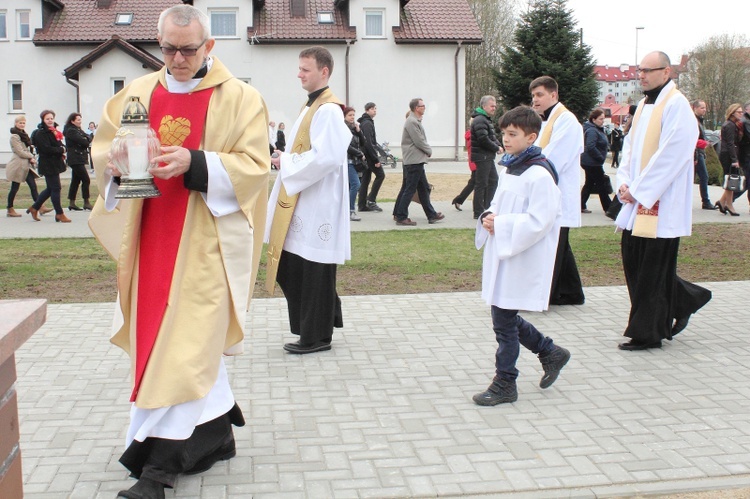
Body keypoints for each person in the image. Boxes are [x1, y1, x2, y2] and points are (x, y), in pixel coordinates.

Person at [88, 5, 270, 497]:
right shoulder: (139, 93)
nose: (178, 58)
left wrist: (196, 162)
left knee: (184, 349)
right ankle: (215, 435)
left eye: (188, 49)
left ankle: (159, 469)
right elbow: (103, 150)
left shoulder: (240, 99)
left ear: (209, 46)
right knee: (171, 346)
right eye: (168, 48)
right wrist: (117, 164)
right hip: (150, 240)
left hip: (205, 244)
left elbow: (255, 168)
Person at [472, 105, 570, 406]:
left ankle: (506, 382)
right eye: (503, 133)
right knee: (505, 315)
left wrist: (500, 224)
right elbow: (500, 203)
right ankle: (549, 351)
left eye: (512, 134)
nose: (506, 139)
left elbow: (541, 221)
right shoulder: (511, 165)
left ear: (531, 137)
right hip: (504, 252)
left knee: (503, 319)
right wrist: (490, 216)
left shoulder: (539, 174)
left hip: (521, 254)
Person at [614, 51, 711, 351]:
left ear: (666, 71)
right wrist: (625, 182)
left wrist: (640, 190)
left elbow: (672, 155)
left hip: (661, 203)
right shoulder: (644, 105)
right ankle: (686, 299)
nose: (641, 75)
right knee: (635, 261)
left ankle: (648, 333)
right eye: (639, 70)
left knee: (652, 270)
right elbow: (629, 148)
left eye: (647, 70)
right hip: (637, 199)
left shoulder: (677, 106)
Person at [265, 46, 351, 355]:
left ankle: (316, 336)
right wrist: (285, 158)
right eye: (299, 68)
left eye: (305, 69)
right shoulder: (312, 105)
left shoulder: (327, 109)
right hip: (307, 197)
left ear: (324, 72)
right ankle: (324, 320)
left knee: (313, 268)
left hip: (319, 202)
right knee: (300, 266)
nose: (299, 74)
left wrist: (286, 164)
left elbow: (326, 157)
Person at [530, 76, 584, 306]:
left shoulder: (567, 121)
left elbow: (553, 157)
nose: (535, 100)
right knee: (560, 244)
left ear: (554, 95)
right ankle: (572, 292)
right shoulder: (545, 121)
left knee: (555, 245)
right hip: (549, 192)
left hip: (559, 193)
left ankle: (548, 293)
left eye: (540, 95)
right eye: (533, 96)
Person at [393, 98, 444, 226]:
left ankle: (431, 215)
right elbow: (418, 140)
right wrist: (428, 150)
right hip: (414, 160)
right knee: (410, 189)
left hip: (416, 160)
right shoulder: (411, 122)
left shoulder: (414, 121)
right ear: (416, 108)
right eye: (423, 106)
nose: (424, 107)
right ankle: (401, 216)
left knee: (423, 189)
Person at [28, 110, 70, 223]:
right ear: (43, 120)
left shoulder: (54, 131)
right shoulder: (41, 133)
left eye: (51, 118)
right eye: (47, 119)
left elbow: (59, 144)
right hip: (47, 164)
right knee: (56, 188)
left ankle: (35, 208)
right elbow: (46, 149)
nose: (50, 120)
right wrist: (61, 149)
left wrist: (63, 148)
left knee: (50, 189)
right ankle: (59, 213)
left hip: (55, 163)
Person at [469, 95, 502, 219]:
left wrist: (498, 145)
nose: (494, 108)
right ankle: (478, 212)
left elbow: (491, 137)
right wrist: (496, 148)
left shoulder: (485, 119)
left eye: (495, 106)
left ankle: (488, 207)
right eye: (492, 106)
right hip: (482, 157)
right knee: (481, 184)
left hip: (486, 156)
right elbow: (483, 139)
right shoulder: (480, 120)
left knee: (493, 181)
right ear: (484, 106)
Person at [6, 115, 41, 217]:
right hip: (18, 165)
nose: (22, 125)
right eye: (20, 123)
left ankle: (39, 206)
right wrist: (31, 157)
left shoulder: (24, 135)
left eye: (23, 123)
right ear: (16, 124)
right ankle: (10, 208)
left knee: (33, 186)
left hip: (25, 165)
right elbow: (19, 151)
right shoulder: (14, 136)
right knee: (14, 187)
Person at [580, 108, 612, 214]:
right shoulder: (592, 130)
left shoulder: (596, 129)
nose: (603, 121)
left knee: (589, 183)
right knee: (601, 185)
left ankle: (580, 204)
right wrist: (600, 157)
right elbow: (590, 146)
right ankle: (609, 208)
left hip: (591, 162)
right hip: (592, 163)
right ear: (594, 120)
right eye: (600, 119)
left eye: (603, 119)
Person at [715, 103, 745, 216]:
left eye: (742, 112)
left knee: (731, 179)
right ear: (732, 113)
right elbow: (730, 144)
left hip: (729, 154)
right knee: (731, 180)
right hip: (728, 155)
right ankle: (729, 204)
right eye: (739, 112)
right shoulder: (730, 125)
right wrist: (734, 159)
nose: (741, 114)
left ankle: (722, 202)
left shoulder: (733, 124)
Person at [357, 102, 385, 213]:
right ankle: (371, 200)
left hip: (365, 155)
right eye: (373, 109)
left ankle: (362, 204)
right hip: (369, 156)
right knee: (380, 175)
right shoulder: (367, 123)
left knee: (365, 179)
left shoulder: (364, 122)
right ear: (367, 110)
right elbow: (369, 142)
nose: (375, 111)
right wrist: (375, 159)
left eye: (375, 108)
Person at [63, 112, 93, 211]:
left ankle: (72, 202)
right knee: (86, 179)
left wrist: (87, 138)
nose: (80, 122)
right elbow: (84, 141)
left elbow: (88, 136)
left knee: (75, 181)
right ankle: (86, 202)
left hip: (79, 158)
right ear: (72, 121)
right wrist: (87, 138)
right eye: (78, 120)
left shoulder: (77, 130)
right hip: (75, 158)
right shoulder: (71, 131)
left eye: (80, 119)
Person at [690, 100, 715, 210]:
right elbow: (692, 140)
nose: (704, 110)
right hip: (696, 153)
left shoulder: (699, 121)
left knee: (699, 177)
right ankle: (705, 201)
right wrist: (704, 143)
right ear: (695, 108)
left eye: (705, 108)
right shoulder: (693, 121)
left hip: (698, 152)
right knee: (703, 176)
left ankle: (705, 200)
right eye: (702, 108)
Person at [344, 106, 365, 221]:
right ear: (345, 116)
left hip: (355, 161)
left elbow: (363, 142)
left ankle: (346, 210)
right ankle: (351, 210)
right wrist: (359, 153)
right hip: (348, 161)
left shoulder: (354, 128)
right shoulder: (343, 128)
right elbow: (346, 146)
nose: (352, 117)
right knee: (356, 184)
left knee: (350, 186)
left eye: (353, 115)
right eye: (350, 115)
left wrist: (359, 132)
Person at [451, 120, 477, 211]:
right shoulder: (473, 136)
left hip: (474, 162)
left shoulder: (471, 135)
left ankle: (459, 199)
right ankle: (459, 199)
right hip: (476, 163)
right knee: (474, 183)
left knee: (473, 183)